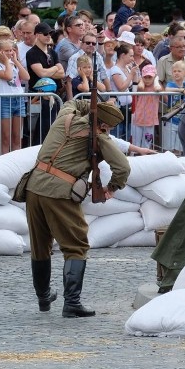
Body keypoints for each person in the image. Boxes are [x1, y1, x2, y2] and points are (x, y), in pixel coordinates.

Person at [21, 99, 131, 318]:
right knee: (76, 245)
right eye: (106, 128)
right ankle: (72, 302)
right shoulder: (98, 137)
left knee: (40, 245)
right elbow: (123, 166)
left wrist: (95, 103)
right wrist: (113, 187)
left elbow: (73, 101)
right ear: (102, 125)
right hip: (60, 193)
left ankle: (44, 297)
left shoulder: (65, 117)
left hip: (33, 186)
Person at [0, 40, 29, 154]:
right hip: (5, 100)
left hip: (19, 99)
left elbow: (26, 77)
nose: (10, 53)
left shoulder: (14, 64)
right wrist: (7, 62)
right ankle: (4, 162)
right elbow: (8, 76)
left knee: (17, 137)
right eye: (6, 51)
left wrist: (16, 61)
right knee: (5, 137)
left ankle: (16, 160)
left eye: (11, 50)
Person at [131, 64, 162, 149]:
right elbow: (140, 87)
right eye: (145, 77)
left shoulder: (156, 86)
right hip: (138, 118)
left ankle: (145, 157)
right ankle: (134, 157)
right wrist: (141, 80)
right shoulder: (141, 85)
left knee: (147, 142)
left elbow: (158, 89)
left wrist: (156, 79)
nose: (147, 80)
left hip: (150, 120)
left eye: (150, 77)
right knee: (135, 143)